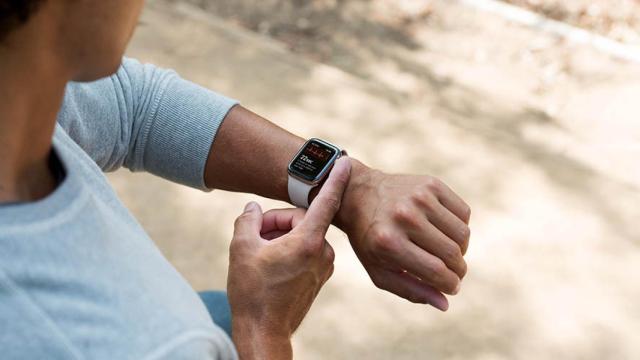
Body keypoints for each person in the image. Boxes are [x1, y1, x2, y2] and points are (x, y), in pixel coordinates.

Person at [0, 0, 471, 359]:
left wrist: (353, 187)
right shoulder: (146, 343)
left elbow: (134, 108)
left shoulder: (21, 80)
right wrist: (263, 328)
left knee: (217, 312)